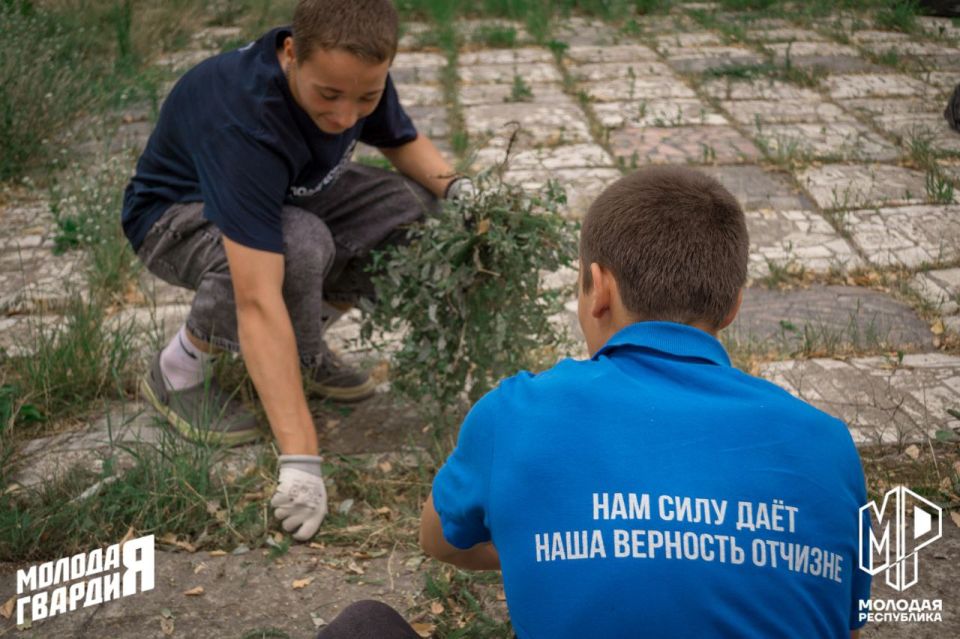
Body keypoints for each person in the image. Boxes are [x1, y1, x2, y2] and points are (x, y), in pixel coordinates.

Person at [419, 166, 872, 638]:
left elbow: (440, 541)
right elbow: (846, 624)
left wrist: (555, 542)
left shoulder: (514, 415)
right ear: (734, 305)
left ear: (600, 289)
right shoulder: (828, 444)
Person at [121, 0, 471, 542]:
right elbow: (258, 298)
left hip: (288, 195)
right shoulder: (246, 119)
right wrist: (302, 459)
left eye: (366, 97)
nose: (345, 116)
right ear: (290, 53)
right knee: (300, 246)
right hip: (175, 219)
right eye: (327, 96)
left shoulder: (351, 69)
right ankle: (180, 367)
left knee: (417, 209)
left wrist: (461, 187)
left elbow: (399, 139)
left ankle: (306, 350)